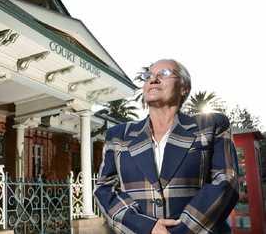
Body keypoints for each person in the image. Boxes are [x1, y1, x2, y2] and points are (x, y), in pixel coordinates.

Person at [93, 59, 239, 234]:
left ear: (184, 87)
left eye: (165, 73)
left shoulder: (212, 125)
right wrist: (145, 226)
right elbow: (104, 188)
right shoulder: (118, 135)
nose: (153, 79)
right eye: (148, 76)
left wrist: (181, 231)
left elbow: (226, 182)